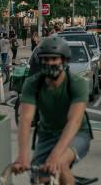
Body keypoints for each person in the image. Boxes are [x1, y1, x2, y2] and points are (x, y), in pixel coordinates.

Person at [12, 36, 91, 184]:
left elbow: (74, 121)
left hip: (77, 134)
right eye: (45, 59)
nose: (49, 63)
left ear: (64, 61)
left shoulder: (77, 83)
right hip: (46, 134)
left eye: (54, 59)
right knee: (38, 177)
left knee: (59, 163)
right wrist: (22, 155)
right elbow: (25, 119)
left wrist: (54, 155)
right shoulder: (32, 83)